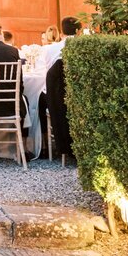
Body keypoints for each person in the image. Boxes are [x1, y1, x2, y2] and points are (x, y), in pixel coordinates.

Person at [45, 16, 82, 161]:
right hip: (79, 95)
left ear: (61, 32)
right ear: (79, 31)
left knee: (39, 101)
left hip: (57, 97)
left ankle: (47, 148)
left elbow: (47, 72)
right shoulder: (84, 48)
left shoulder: (50, 49)